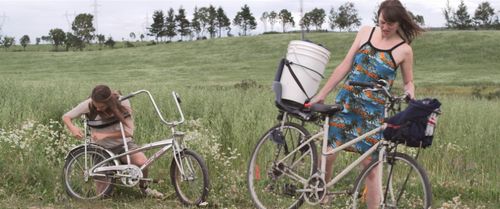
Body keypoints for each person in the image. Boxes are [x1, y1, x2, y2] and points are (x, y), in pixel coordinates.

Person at [309, 0, 424, 207]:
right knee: (329, 152)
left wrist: (410, 95)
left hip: (373, 113)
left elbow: (409, 82)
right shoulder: (365, 33)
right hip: (346, 101)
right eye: (382, 22)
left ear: (399, 23)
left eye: (390, 24)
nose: (385, 27)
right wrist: (322, 93)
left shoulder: (404, 50)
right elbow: (345, 65)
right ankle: (321, 193)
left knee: (371, 168)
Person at [62, 84, 163, 198]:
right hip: (100, 150)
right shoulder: (89, 104)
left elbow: (129, 132)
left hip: (122, 145)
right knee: (102, 195)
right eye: (96, 106)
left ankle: (144, 188)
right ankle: (113, 181)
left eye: (101, 106)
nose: (98, 109)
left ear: (109, 102)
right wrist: (73, 128)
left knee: (142, 162)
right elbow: (66, 117)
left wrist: (104, 135)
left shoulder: (123, 102)